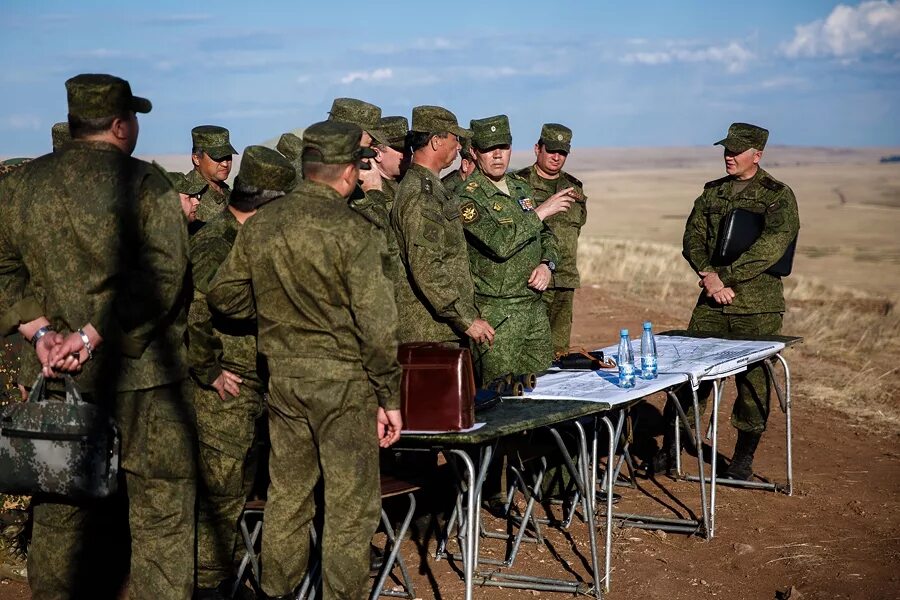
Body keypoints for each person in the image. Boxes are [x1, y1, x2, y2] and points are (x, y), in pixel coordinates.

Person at [0, 73, 195, 599]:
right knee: (162, 520)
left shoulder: (19, 186)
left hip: (54, 380)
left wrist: (40, 333)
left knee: (62, 520)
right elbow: (163, 278)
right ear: (119, 125)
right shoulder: (147, 184)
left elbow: (2, 269)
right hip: (146, 383)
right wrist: (89, 336)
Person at [207, 121, 402, 599]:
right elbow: (378, 327)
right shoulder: (354, 231)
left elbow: (224, 295)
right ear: (345, 173)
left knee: (288, 499)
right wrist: (389, 396)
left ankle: (276, 593)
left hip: (284, 383)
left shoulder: (264, 224)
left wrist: (276, 309)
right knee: (349, 508)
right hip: (343, 386)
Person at [653, 122, 800, 480]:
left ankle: (743, 460)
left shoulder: (777, 195)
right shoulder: (712, 193)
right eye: (726, 150)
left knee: (754, 382)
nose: (728, 156)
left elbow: (771, 247)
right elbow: (693, 237)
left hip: (757, 305)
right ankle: (672, 448)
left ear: (757, 154)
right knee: (689, 375)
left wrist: (725, 277)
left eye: (736, 151)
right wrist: (708, 275)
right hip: (711, 299)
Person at [190, 145, 295, 599]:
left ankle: (230, 581)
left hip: (256, 382)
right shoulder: (216, 242)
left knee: (243, 487)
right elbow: (193, 313)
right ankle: (209, 587)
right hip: (225, 388)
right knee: (220, 494)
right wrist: (209, 369)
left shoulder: (252, 239)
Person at [458, 114, 574, 386]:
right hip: (498, 316)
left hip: (534, 309)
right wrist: (541, 212)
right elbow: (500, 243)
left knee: (544, 389)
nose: (498, 156)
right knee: (501, 397)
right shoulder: (467, 197)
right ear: (474, 153)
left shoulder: (520, 188)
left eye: (504, 147)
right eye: (488, 149)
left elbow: (547, 236)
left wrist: (547, 264)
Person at [390, 106, 494, 346]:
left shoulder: (431, 188)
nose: (459, 147)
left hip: (440, 328)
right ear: (436, 141)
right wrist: (466, 319)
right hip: (431, 333)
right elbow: (427, 266)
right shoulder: (421, 195)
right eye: (454, 139)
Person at [516, 123, 587, 355]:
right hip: (532, 280)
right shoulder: (518, 184)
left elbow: (577, 227)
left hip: (564, 279)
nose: (557, 157)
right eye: (552, 150)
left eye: (562, 152)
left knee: (559, 351)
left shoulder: (575, 189)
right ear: (538, 149)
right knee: (529, 348)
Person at [191, 125, 238, 223]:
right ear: (196, 159)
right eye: (217, 158)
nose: (225, 164)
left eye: (228, 157)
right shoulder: (187, 198)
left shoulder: (229, 193)